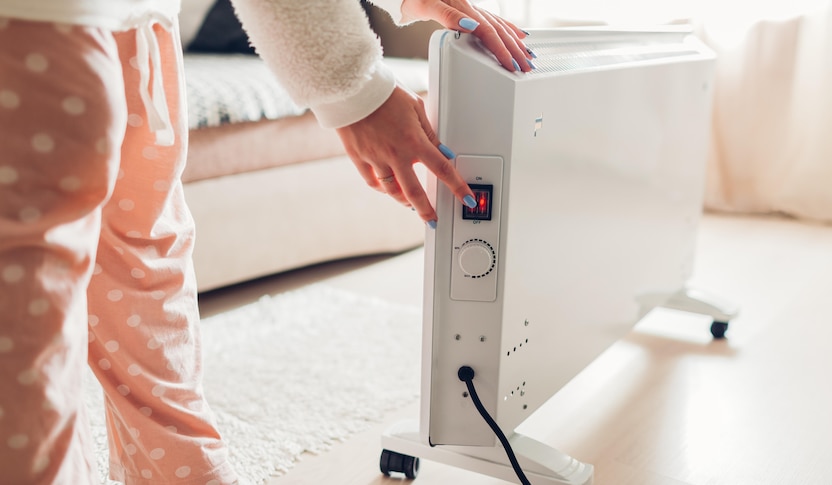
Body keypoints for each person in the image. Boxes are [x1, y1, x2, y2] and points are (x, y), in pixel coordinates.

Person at [0, 0, 531, 483]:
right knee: (32, 320)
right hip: (39, 29)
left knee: (145, 270)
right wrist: (354, 89)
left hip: (136, 26)